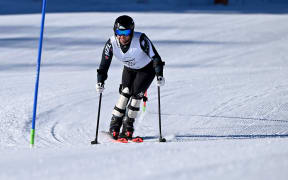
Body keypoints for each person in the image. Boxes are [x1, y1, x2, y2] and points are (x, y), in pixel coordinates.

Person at [95, 15, 165, 140]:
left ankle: (128, 127)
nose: (122, 37)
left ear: (131, 31)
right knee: (125, 92)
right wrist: (100, 81)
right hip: (129, 69)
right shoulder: (111, 44)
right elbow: (104, 65)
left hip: (146, 69)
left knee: (136, 95)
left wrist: (159, 74)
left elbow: (156, 58)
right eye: (119, 33)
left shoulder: (141, 40)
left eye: (126, 32)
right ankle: (114, 126)